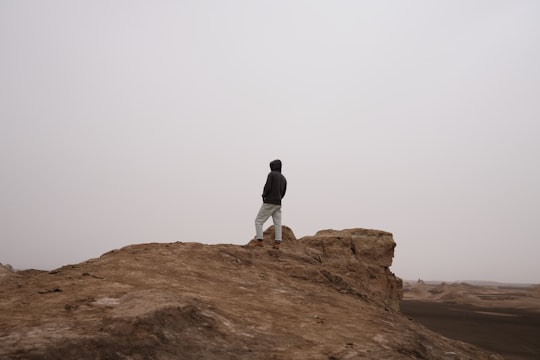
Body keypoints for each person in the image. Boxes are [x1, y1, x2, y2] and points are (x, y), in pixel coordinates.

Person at [254, 159, 287, 249]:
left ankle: (259, 241)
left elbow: (267, 186)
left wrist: (264, 195)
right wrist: (279, 198)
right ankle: (277, 243)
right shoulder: (284, 178)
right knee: (277, 223)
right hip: (278, 203)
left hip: (269, 201)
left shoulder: (271, 174)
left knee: (258, 221)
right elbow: (284, 192)